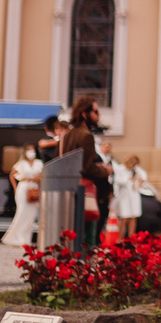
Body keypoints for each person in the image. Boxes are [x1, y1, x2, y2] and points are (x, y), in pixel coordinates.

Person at [62, 97, 112, 244]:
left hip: (71, 191)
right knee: (89, 238)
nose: (99, 115)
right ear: (84, 114)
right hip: (87, 194)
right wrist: (106, 171)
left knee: (76, 236)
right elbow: (87, 168)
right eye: (96, 111)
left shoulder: (68, 134)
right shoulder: (86, 136)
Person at [1, 147, 41, 247]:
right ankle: (18, 238)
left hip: (34, 188)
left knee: (31, 215)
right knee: (21, 212)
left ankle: (26, 239)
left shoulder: (39, 163)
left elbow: (40, 176)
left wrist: (28, 178)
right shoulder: (21, 163)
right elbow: (12, 175)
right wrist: (15, 188)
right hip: (23, 188)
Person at [112, 154, 146, 240]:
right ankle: (120, 238)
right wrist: (128, 179)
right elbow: (117, 181)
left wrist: (140, 181)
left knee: (133, 217)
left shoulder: (137, 170)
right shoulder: (120, 169)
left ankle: (132, 238)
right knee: (124, 217)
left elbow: (144, 177)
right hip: (124, 194)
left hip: (134, 194)